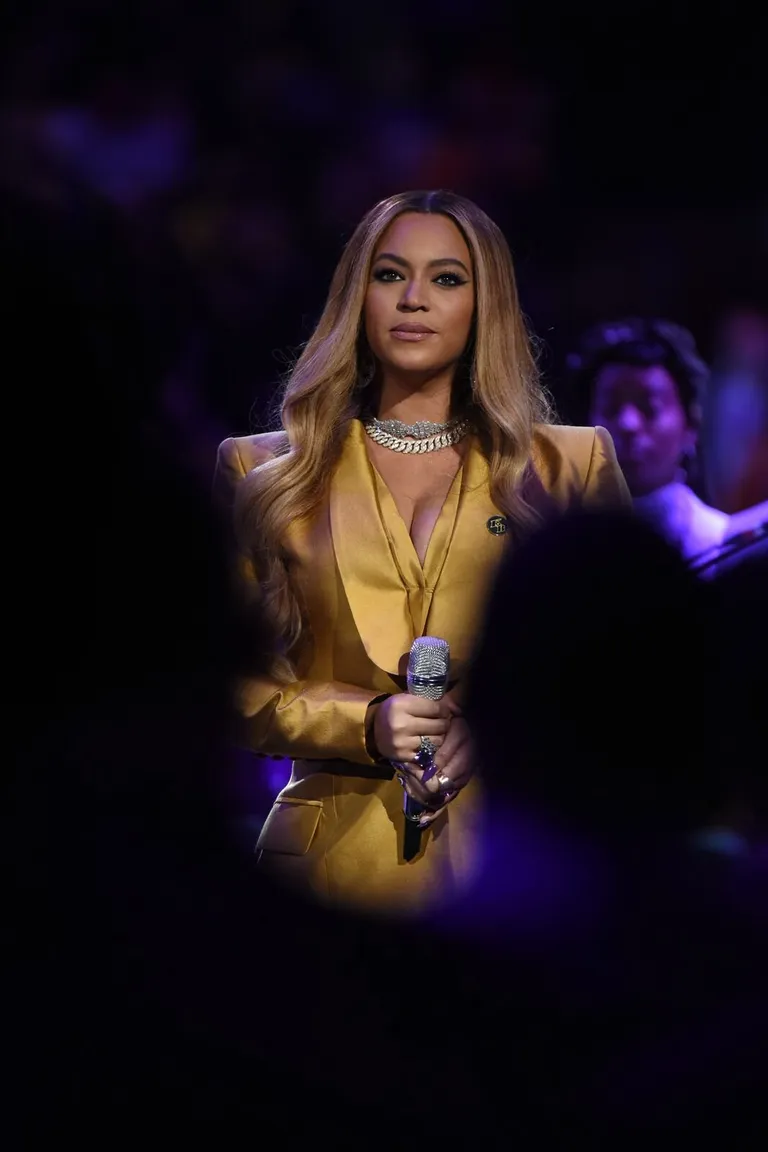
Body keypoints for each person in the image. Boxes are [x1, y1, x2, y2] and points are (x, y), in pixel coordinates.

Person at [215, 188, 630, 915]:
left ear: (484, 304)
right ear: (358, 295)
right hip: (322, 882)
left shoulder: (570, 467)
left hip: (520, 881)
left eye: (446, 278)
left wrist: (506, 734)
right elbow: (223, 687)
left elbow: (629, 681)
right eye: (389, 274)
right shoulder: (262, 475)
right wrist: (365, 722)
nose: (413, 299)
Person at [564, 316, 731, 561]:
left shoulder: (722, 546)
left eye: (649, 408)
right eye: (611, 407)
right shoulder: (560, 552)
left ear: (691, 425)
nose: (627, 424)